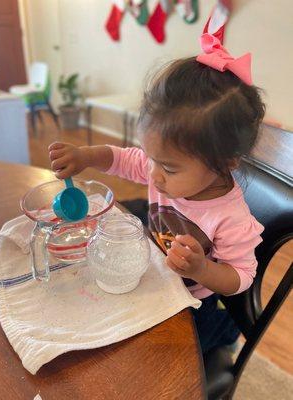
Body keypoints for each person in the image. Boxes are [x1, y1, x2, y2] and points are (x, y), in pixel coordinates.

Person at [49, 33, 265, 354]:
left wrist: (201, 269)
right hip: (159, 272)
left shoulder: (231, 219)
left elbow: (243, 276)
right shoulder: (163, 169)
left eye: (168, 167)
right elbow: (122, 158)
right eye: (151, 158)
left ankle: (226, 329)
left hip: (194, 301)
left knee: (180, 350)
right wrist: (86, 157)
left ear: (224, 163)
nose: (153, 174)